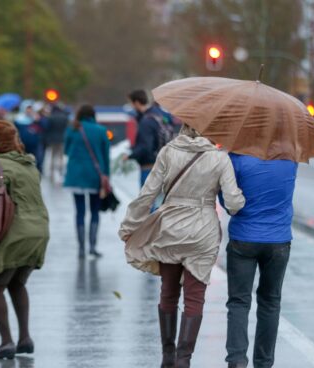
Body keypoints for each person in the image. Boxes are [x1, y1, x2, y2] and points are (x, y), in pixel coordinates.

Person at [119, 125, 245, 368]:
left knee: (168, 291)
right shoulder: (219, 158)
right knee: (194, 298)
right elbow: (233, 202)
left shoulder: (168, 151)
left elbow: (148, 194)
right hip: (202, 232)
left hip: (171, 228)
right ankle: (183, 360)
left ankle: (167, 356)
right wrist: (240, 199)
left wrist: (129, 225)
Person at [0, 120, 50, 360]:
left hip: (14, 234)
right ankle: (25, 338)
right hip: (38, 231)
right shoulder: (28, 164)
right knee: (17, 283)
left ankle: (6, 342)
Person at [222, 153, 298, 368]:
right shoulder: (290, 160)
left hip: (243, 238)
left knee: (238, 302)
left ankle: (237, 360)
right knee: (270, 302)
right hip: (279, 240)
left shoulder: (236, 159)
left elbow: (228, 202)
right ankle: (264, 363)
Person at [64, 105, 111, 259]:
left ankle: (81, 248)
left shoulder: (72, 129)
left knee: (79, 211)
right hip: (95, 176)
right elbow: (106, 156)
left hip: (75, 176)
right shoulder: (101, 130)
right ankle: (92, 246)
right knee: (95, 211)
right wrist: (106, 176)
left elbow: (66, 150)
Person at [126, 90, 175, 187]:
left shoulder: (146, 122)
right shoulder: (160, 115)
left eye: (131, 103)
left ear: (136, 103)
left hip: (149, 167)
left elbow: (145, 147)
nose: (131, 106)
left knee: (148, 200)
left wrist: (130, 155)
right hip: (165, 165)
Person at [15, 103, 44, 172]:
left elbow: (45, 128)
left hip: (34, 145)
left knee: (36, 161)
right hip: (22, 145)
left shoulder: (36, 119)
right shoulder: (18, 119)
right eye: (27, 109)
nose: (29, 111)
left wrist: (39, 120)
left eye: (30, 109)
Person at [46, 104, 70, 181]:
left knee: (53, 156)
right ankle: (60, 171)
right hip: (62, 139)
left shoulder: (51, 117)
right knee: (61, 157)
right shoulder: (64, 117)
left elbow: (48, 128)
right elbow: (67, 128)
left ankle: (52, 173)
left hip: (53, 139)